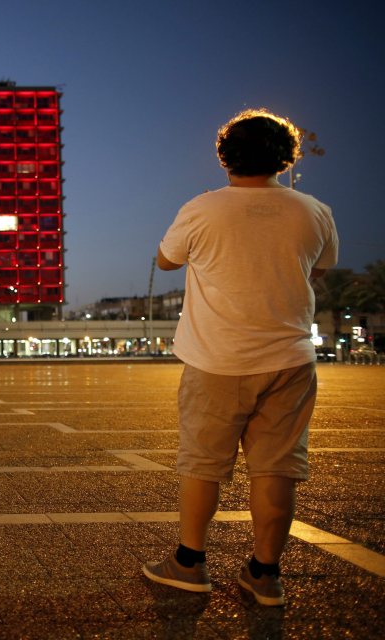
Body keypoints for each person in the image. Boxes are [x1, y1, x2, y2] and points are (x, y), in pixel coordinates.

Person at [142, 109, 339, 607]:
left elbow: (166, 258)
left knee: (203, 465)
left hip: (216, 359)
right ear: (285, 158)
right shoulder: (314, 211)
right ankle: (264, 574)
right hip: (291, 358)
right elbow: (323, 263)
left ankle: (189, 564)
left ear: (224, 155)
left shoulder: (203, 209)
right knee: (277, 469)